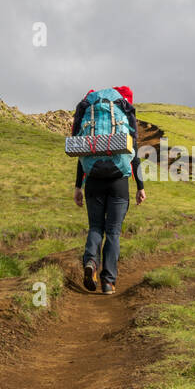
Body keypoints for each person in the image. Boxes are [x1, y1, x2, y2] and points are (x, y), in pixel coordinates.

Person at [72, 85, 146, 294]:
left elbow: (82, 155)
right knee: (113, 232)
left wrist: (78, 186)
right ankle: (108, 282)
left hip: (93, 179)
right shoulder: (124, 114)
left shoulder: (91, 116)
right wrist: (140, 187)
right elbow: (135, 157)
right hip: (119, 183)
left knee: (96, 227)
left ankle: (91, 263)